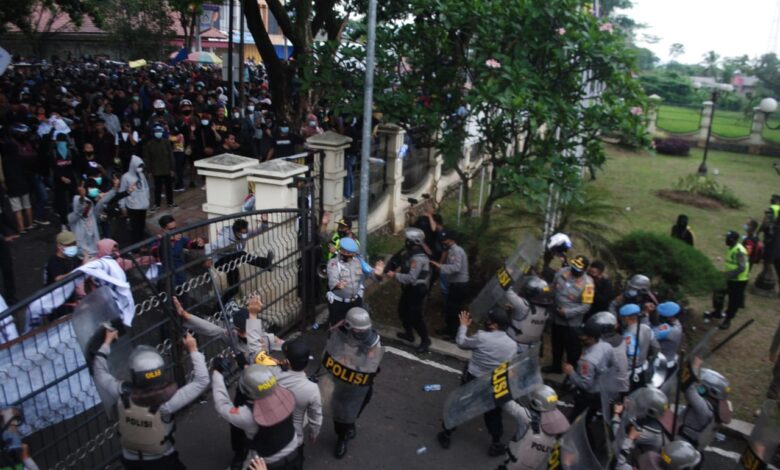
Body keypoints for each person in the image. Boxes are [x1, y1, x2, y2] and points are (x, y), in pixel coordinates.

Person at [92, 330, 209, 469]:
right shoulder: (166, 404)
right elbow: (202, 380)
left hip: (130, 461)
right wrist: (193, 349)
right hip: (162, 461)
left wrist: (107, 342)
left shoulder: (121, 393)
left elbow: (99, 371)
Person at [437, 309, 517, 456]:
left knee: (461, 406)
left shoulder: (482, 337)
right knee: (493, 412)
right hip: (494, 382)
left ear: (494, 325)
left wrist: (463, 325)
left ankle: (446, 434)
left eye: (489, 320)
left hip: (473, 378)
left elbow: (461, 342)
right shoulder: (512, 345)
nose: (486, 321)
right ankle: (496, 442)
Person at [212, 364, 300, 469]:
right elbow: (264, 383)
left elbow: (221, 405)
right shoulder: (285, 393)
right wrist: (249, 370)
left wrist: (216, 374)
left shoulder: (247, 415)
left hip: (266, 462)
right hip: (294, 451)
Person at [323, 307, 383, 459]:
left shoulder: (372, 341)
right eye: (358, 330)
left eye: (364, 330)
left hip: (359, 383)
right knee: (338, 415)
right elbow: (332, 349)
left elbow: (371, 363)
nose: (362, 333)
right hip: (341, 381)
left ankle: (343, 437)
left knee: (351, 413)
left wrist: (351, 361)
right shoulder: (341, 330)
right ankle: (343, 431)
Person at [498, 384, 570, 470]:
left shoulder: (527, 418)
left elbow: (506, 404)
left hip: (512, 465)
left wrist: (499, 385)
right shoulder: (558, 423)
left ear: (537, 403)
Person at [274, 338, 323, 465]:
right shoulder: (312, 389)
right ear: (306, 364)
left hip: (271, 429)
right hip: (294, 437)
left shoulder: (272, 373)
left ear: (286, 361)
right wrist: (313, 434)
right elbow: (315, 417)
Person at [544, 255, 595, 374]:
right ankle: (556, 366)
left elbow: (586, 306)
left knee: (572, 349)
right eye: (574, 266)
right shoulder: (562, 273)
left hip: (572, 323)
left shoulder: (588, 284)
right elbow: (552, 288)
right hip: (556, 318)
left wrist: (568, 312)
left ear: (585, 270)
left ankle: (571, 373)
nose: (575, 270)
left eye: (578, 269)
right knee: (556, 344)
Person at [385, 227, 432, 353]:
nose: (405, 241)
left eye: (408, 239)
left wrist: (394, 275)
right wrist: (389, 267)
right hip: (410, 289)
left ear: (413, 242)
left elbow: (411, 278)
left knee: (415, 317)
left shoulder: (418, 258)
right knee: (402, 311)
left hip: (417, 289)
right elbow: (397, 258)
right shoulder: (409, 251)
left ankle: (425, 340)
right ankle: (409, 334)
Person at [206, 218, 274, 304]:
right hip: (220, 262)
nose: (244, 235)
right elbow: (209, 247)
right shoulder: (224, 240)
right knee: (241, 255)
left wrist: (264, 221)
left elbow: (260, 230)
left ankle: (218, 308)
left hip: (232, 261)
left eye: (245, 232)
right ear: (236, 232)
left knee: (234, 288)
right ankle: (265, 263)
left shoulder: (244, 233)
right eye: (242, 233)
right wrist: (208, 259)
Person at [562, 313, 615, 420]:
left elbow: (586, 385)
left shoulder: (587, 361)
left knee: (576, 419)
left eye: (583, 336)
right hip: (602, 390)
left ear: (591, 338)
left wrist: (571, 372)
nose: (579, 337)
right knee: (588, 416)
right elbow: (612, 365)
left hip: (588, 395)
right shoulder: (607, 346)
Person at [613, 386, 671, 470]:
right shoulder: (647, 418)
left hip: (640, 463)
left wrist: (616, 415)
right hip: (640, 454)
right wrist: (628, 405)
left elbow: (618, 437)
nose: (638, 403)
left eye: (641, 404)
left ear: (651, 411)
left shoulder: (647, 431)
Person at [678, 363, 732, 453]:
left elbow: (689, 390)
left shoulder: (704, 408)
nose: (699, 386)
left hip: (683, 442)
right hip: (695, 446)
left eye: (702, 385)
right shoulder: (717, 406)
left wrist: (693, 366)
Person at [704, 231, 749, 330]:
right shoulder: (731, 248)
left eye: (728, 238)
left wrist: (728, 275)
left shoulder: (739, 251)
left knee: (733, 301)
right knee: (718, 292)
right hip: (729, 278)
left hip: (738, 281)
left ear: (733, 240)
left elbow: (742, 267)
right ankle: (717, 312)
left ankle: (728, 320)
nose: (726, 240)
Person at [431, 229, 469, 339]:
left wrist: (440, 266)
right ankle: (448, 329)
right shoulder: (452, 250)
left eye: (445, 240)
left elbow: (456, 268)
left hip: (459, 285)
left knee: (454, 310)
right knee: (450, 308)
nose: (443, 242)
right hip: (455, 284)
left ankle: (453, 334)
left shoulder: (456, 251)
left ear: (451, 240)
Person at [67, 177, 120, 256]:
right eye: (84, 206)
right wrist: (81, 198)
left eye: (88, 206)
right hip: (82, 255)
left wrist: (114, 189)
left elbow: (102, 202)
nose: (86, 208)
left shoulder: (93, 215)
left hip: (96, 253)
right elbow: (78, 210)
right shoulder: (72, 218)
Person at [326, 237, 371, 326]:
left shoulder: (358, 261)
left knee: (356, 327)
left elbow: (370, 273)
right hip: (339, 304)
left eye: (349, 253)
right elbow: (332, 279)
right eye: (343, 251)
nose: (345, 254)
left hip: (356, 302)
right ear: (340, 250)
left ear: (353, 253)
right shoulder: (334, 263)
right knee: (338, 329)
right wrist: (337, 285)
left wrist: (377, 274)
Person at [504, 276, 552, 355]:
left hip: (513, 346)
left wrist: (506, 273)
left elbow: (508, 291)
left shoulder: (523, 306)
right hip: (532, 349)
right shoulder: (546, 311)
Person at [154, 215, 206, 288]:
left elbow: (189, 244)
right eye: (171, 229)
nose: (174, 231)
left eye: (175, 228)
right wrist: (170, 239)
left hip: (180, 275)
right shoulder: (157, 240)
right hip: (166, 277)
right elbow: (156, 253)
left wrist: (198, 243)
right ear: (163, 229)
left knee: (183, 295)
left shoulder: (178, 237)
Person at [2, 124, 35, 234]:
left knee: (17, 208)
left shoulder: (4, 161)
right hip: (23, 183)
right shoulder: (20, 158)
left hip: (12, 186)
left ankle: (21, 228)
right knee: (27, 205)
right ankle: (30, 224)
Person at [620, 303, 659, 391]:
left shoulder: (628, 334)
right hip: (644, 369)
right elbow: (656, 347)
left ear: (626, 318)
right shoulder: (647, 328)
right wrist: (651, 362)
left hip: (632, 373)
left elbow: (633, 357)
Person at [143, 125, 176, 211]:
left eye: (160, 132)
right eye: (157, 132)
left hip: (167, 169)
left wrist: (172, 169)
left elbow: (171, 156)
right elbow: (148, 158)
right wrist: (149, 170)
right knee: (157, 188)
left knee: (169, 187)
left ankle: (170, 202)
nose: (159, 133)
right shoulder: (149, 144)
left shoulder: (166, 142)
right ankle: (157, 204)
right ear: (154, 133)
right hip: (156, 170)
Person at [118, 155, 150, 245]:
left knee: (141, 227)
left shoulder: (141, 175)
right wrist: (122, 206)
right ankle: (135, 248)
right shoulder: (125, 177)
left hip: (143, 206)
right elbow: (122, 192)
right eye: (138, 166)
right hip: (133, 207)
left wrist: (147, 200)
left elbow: (146, 188)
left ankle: (142, 244)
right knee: (134, 229)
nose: (140, 168)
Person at [51, 133, 79, 228]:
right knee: (61, 202)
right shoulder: (53, 153)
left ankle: (75, 218)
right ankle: (64, 222)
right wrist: (61, 178)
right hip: (59, 181)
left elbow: (75, 166)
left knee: (74, 199)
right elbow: (53, 168)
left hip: (71, 179)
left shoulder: (71, 151)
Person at [653, 301, 684, 388]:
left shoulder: (669, 329)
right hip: (670, 360)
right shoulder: (675, 324)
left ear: (670, 317)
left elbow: (650, 334)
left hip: (664, 365)